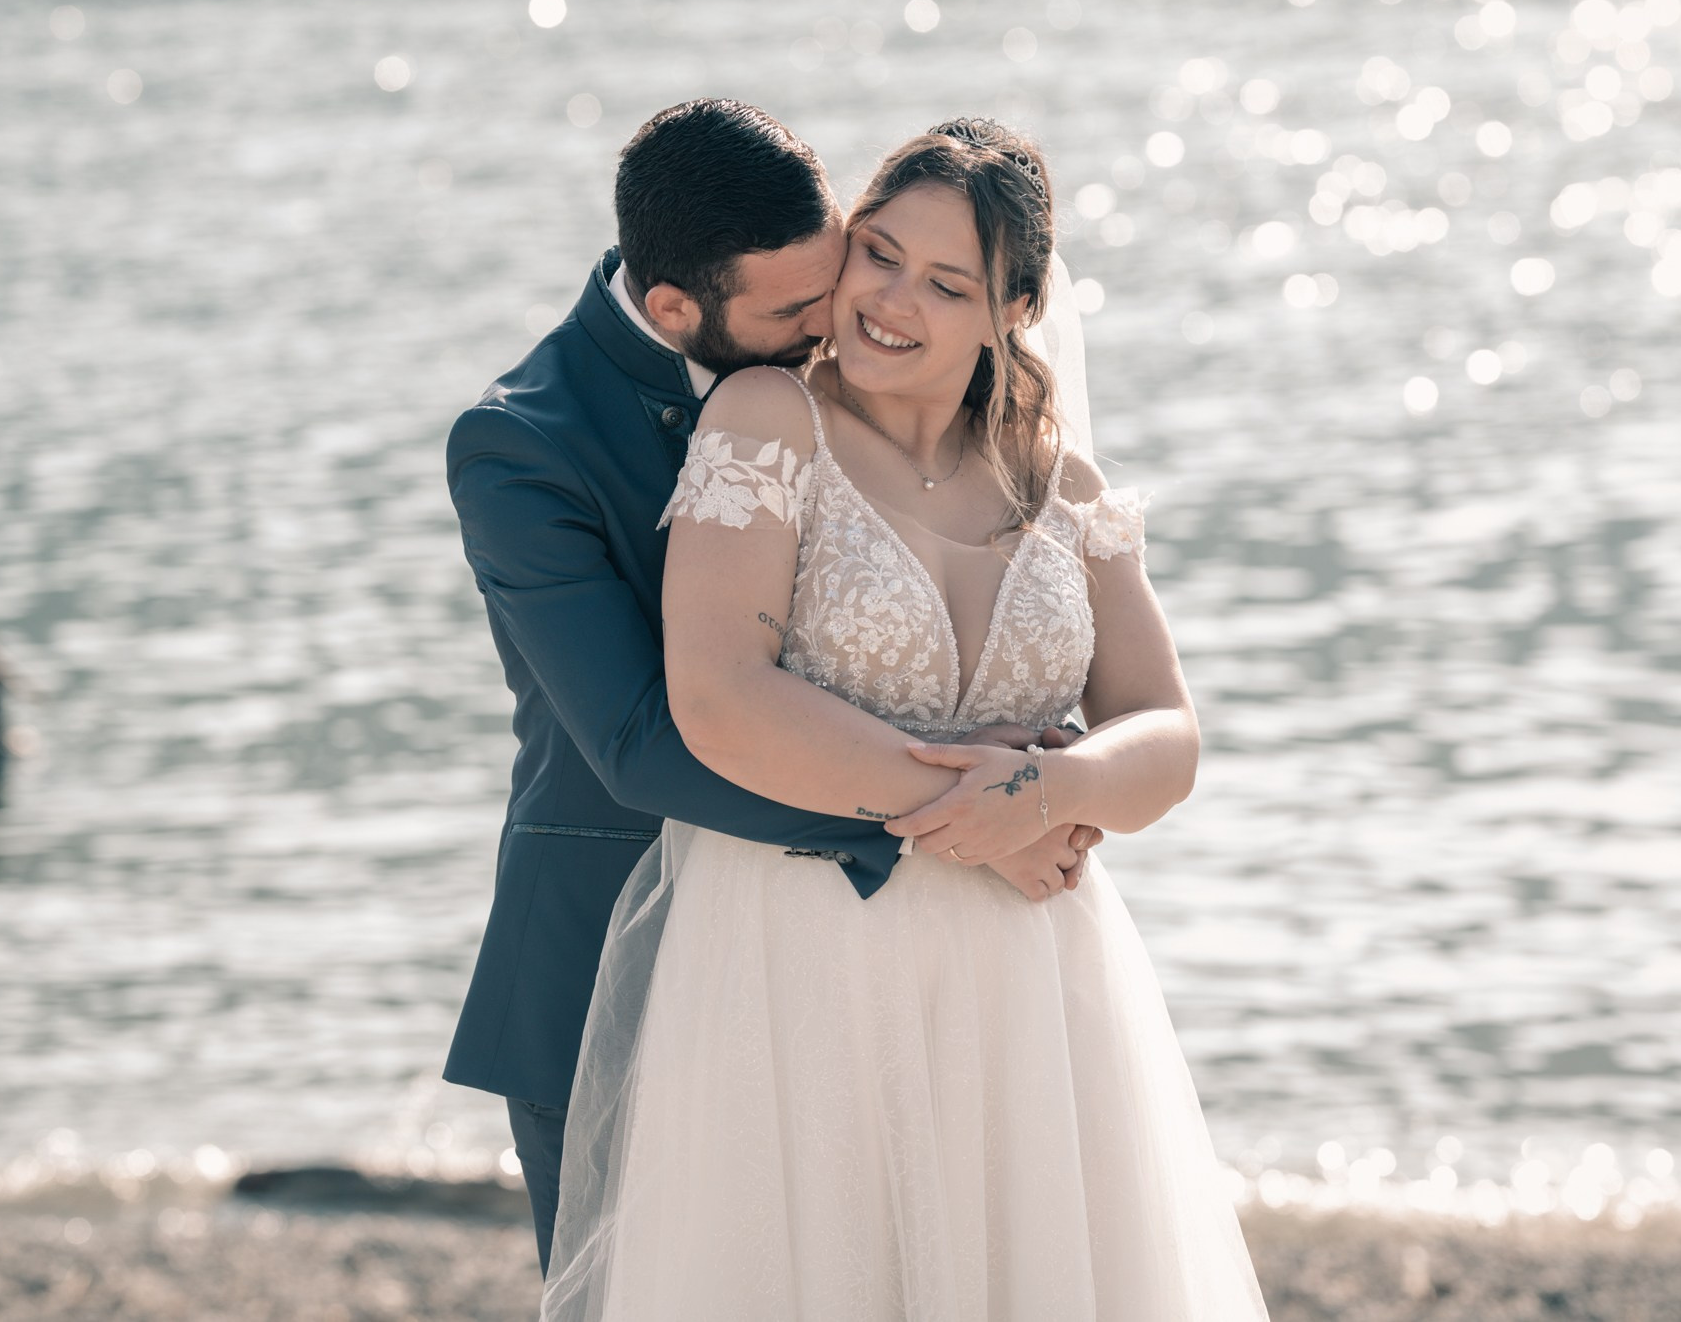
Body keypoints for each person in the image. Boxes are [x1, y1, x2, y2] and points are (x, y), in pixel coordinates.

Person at [538, 120, 1271, 1320]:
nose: (888, 301)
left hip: (1034, 986)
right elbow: (718, 698)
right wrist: (971, 810)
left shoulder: (1059, 479)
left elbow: (1163, 735)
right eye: (875, 254)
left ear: (1012, 309)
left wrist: (1052, 795)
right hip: (802, 964)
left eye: (944, 283)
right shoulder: (769, 418)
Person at [442, 99, 1100, 1276]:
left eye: (840, 267)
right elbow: (642, 741)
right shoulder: (520, 446)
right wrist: (964, 819)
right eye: (797, 312)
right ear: (674, 311)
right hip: (607, 955)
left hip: (850, 975)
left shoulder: (859, 379)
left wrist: (1036, 751)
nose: (836, 323)